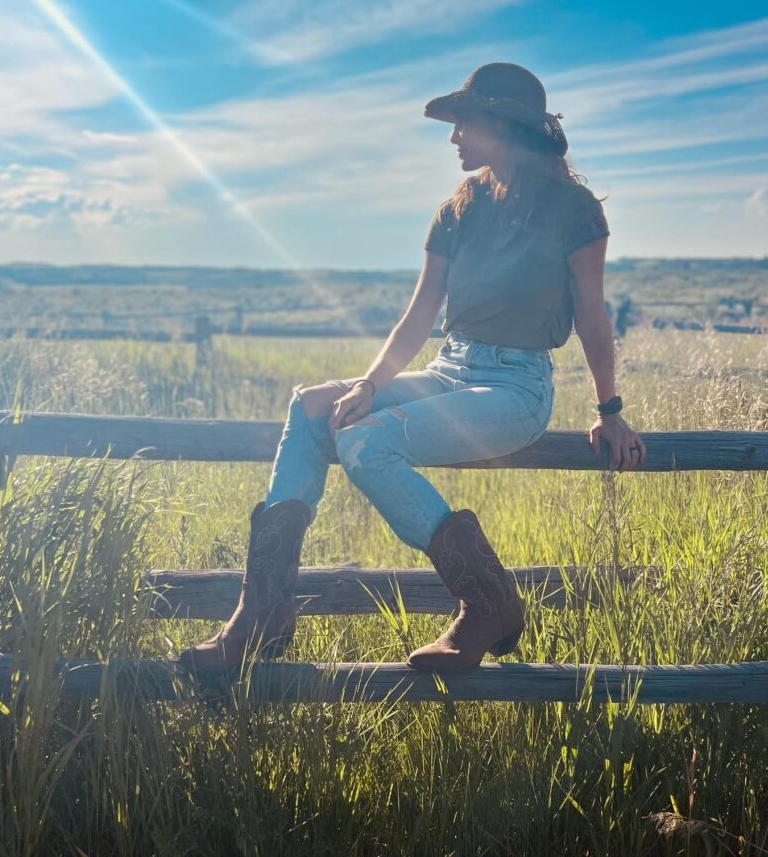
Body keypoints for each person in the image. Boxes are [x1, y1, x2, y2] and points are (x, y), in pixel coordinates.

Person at [177, 62, 646, 677]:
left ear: (503, 123)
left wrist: (608, 410)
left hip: (516, 388)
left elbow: (591, 313)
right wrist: (369, 383)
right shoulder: (459, 207)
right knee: (313, 405)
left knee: (369, 442)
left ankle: (488, 603)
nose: (454, 137)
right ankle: (262, 610)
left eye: (465, 123)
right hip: (449, 369)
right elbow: (419, 314)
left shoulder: (574, 210)